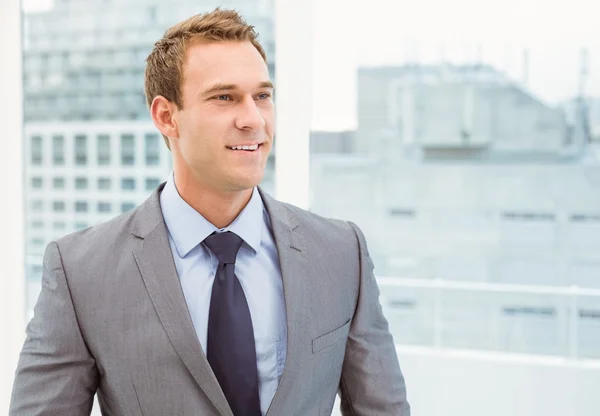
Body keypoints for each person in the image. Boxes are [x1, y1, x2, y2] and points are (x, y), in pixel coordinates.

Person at [10, 8, 409, 416]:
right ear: (167, 116)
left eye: (263, 96)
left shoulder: (341, 253)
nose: (254, 120)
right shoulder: (80, 271)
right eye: (225, 97)